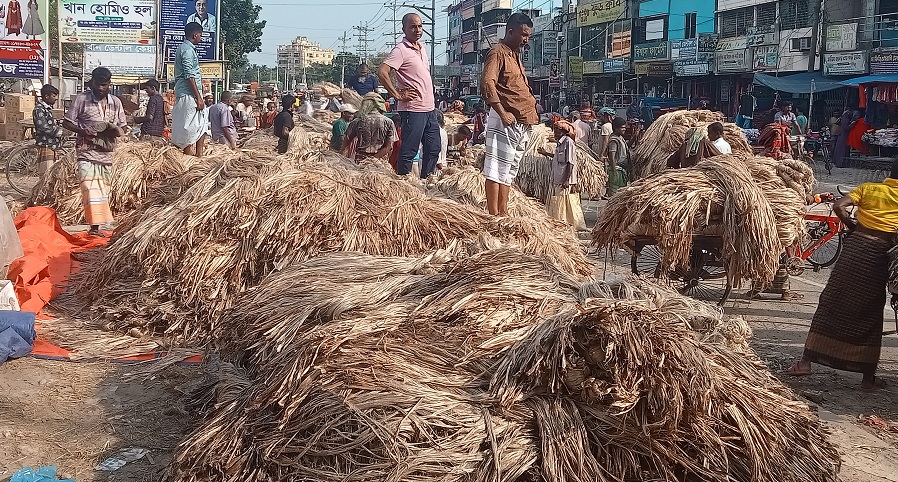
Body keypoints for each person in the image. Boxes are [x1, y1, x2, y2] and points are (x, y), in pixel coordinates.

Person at [786, 161, 898, 390]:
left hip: (854, 250)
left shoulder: (870, 189)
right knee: (870, 311)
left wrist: (852, 226)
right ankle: (868, 379)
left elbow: (839, 206)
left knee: (831, 302)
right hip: (879, 256)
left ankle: (805, 363)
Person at [479, 12, 537, 216]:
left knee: (509, 170)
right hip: (505, 119)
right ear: (511, 31)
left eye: (528, 36)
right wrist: (503, 114)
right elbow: (488, 84)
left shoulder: (514, 55)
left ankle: (502, 213)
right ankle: (493, 214)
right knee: (496, 169)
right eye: (523, 35)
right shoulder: (498, 53)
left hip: (520, 122)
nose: (526, 40)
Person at [62, 67, 128, 237]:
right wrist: (83, 131)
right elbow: (67, 122)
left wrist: (117, 130)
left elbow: (124, 126)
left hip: (106, 153)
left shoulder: (116, 102)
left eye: (104, 85)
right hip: (86, 151)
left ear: (109, 85)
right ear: (91, 83)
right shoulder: (81, 99)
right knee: (89, 187)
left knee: (103, 189)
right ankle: (94, 227)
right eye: (97, 84)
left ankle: (99, 225)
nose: (100, 88)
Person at [378, 13, 440, 178]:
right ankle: (403, 183)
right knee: (409, 150)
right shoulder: (401, 50)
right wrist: (397, 94)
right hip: (413, 109)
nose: (417, 30)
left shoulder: (422, 48)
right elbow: (382, 72)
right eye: (413, 26)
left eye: (420, 26)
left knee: (434, 148)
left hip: (429, 109)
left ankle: (427, 182)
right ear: (404, 29)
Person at [539, 117, 585, 229]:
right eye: (555, 130)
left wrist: (567, 180)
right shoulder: (560, 143)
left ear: (564, 132)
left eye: (558, 131)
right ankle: (562, 221)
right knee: (560, 201)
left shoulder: (568, 143)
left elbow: (570, 163)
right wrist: (545, 153)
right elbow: (557, 158)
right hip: (558, 177)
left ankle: (569, 223)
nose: (555, 133)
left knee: (565, 201)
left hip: (564, 179)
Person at [171, 22, 207, 156]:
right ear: (195, 34)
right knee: (191, 127)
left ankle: (197, 155)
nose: (201, 38)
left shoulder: (184, 48)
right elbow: (189, 75)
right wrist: (198, 98)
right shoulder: (187, 50)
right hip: (189, 95)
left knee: (198, 124)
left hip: (185, 93)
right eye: (201, 35)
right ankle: (192, 156)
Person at [342, 92, 398, 161]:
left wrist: (340, 155)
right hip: (380, 162)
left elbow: (346, 140)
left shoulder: (357, 122)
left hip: (360, 160)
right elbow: (389, 147)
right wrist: (374, 159)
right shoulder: (388, 122)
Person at [32, 84, 63, 174]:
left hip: (52, 144)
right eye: (54, 96)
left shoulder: (46, 109)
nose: (56, 98)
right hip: (45, 144)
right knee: (46, 174)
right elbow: (43, 127)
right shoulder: (39, 109)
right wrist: (60, 131)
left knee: (52, 174)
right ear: (46, 96)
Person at [606, 117, 630, 196]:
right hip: (617, 170)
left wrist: (635, 136)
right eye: (622, 127)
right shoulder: (614, 140)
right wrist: (614, 172)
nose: (625, 129)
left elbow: (627, 147)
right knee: (615, 194)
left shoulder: (620, 138)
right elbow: (612, 157)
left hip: (622, 170)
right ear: (616, 128)